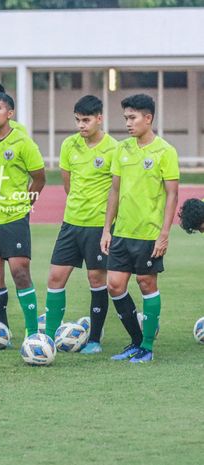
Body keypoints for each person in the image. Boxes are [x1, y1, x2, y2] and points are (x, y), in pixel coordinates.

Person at [100, 94, 179, 363]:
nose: (128, 123)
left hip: (148, 234)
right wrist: (106, 229)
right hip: (122, 232)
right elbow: (114, 190)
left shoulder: (165, 152)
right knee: (114, 285)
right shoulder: (122, 150)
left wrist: (164, 234)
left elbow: (172, 195)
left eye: (132, 118)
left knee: (146, 283)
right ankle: (136, 341)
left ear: (148, 118)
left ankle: (147, 346)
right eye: (126, 118)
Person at [44, 95, 119, 354]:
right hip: (71, 223)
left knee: (96, 279)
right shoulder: (69, 145)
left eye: (86, 120)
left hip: (98, 227)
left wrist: (107, 227)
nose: (81, 125)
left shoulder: (114, 149)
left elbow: (116, 192)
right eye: (77, 120)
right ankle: (50, 339)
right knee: (55, 278)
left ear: (100, 118)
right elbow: (68, 184)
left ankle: (95, 339)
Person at [0, 92, 46, 339]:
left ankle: (32, 331)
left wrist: (26, 205)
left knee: (20, 271)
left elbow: (39, 178)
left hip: (14, 218)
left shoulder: (23, 143)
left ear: (10, 113)